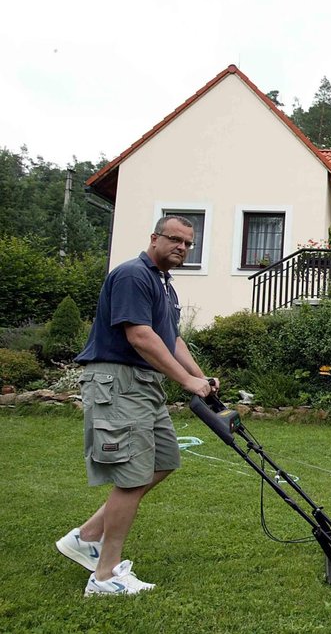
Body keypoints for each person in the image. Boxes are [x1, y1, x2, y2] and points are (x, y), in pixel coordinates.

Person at [56, 215, 218, 596]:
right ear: (154, 238)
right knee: (132, 476)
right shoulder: (133, 275)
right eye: (174, 239)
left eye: (188, 243)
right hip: (119, 382)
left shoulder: (164, 285)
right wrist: (185, 381)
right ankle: (105, 576)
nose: (181, 247)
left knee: (163, 461)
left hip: (144, 385)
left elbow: (172, 339)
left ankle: (88, 536)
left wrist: (201, 377)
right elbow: (140, 336)